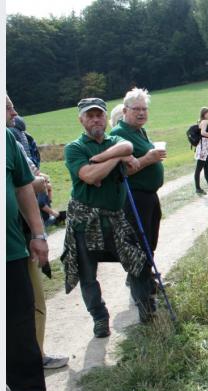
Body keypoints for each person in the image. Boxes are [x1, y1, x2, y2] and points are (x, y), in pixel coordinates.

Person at [61, 98, 152, 337]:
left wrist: (101, 159)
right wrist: (115, 160)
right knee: (88, 274)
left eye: (99, 115)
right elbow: (89, 177)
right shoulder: (74, 148)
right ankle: (100, 318)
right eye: (89, 116)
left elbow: (128, 149)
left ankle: (146, 309)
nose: (95, 120)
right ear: (81, 119)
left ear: (105, 117)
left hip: (115, 217)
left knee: (137, 262)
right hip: (85, 221)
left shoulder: (115, 140)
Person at [6, 96, 61, 391]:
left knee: (20, 321)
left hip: (9, 248)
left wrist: (38, 234)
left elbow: (24, 187)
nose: (13, 112)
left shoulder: (5, 139)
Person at [110, 88, 167, 304]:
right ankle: (143, 300)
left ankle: (148, 284)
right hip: (134, 198)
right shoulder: (118, 135)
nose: (142, 113)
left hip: (148, 196)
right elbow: (121, 171)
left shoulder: (139, 131)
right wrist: (148, 159)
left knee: (149, 243)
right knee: (138, 247)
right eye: (137, 109)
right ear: (125, 110)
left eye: (145, 109)